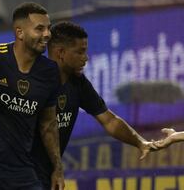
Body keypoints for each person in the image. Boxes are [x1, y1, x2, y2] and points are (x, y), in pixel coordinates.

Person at [30, 21, 158, 190]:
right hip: (21, 172)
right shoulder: (32, 81)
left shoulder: (78, 83)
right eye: (80, 52)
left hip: (48, 174)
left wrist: (141, 143)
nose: (86, 58)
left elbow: (109, 121)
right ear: (61, 52)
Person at [0, 2, 65, 190]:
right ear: (20, 33)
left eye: (48, 28)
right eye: (40, 29)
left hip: (22, 171)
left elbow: (48, 124)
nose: (47, 34)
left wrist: (57, 168)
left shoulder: (49, 71)